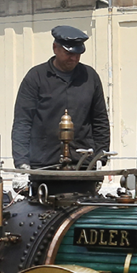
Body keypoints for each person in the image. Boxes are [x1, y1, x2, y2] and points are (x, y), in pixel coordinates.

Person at [12, 25, 111, 171]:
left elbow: (100, 120)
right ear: (55, 48)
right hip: (44, 165)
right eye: (68, 53)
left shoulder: (90, 77)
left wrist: (100, 157)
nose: (74, 58)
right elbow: (22, 123)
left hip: (83, 163)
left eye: (78, 54)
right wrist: (21, 163)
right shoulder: (36, 77)